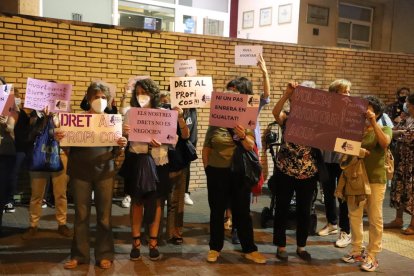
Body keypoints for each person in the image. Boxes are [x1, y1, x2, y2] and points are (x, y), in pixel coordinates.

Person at [62, 82, 127, 269]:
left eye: (104, 97)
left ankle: (104, 254)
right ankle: (79, 255)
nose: (100, 100)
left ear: (109, 100)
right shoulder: (77, 121)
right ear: (89, 98)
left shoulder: (113, 121)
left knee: (104, 216)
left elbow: (116, 152)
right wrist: (62, 139)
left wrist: (121, 144)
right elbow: (68, 148)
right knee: (81, 215)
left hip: (105, 172)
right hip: (80, 172)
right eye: (96, 97)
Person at [202, 78, 267, 264]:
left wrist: (241, 135)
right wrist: (208, 168)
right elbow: (206, 148)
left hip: (239, 173)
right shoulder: (214, 125)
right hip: (217, 173)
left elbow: (250, 146)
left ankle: (249, 249)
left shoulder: (245, 123)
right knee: (217, 211)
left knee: (242, 212)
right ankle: (215, 248)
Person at [121, 78, 175, 261]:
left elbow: (173, 138)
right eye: (137, 93)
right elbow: (122, 139)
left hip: (159, 161)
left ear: (153, 93)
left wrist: (164, 140)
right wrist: (124, 133)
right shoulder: (131, 113)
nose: (140, 96)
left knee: (157, 202)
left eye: (144, 92)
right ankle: (135, 243)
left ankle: (153, 242)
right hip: (137, 160)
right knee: (137, 202)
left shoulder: (164, 113)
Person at [271, 81, 326, 262]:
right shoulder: (287, 117)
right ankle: (281, 246)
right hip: (285, 171)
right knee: (282, 208)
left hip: (308, 173)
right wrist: (287, 94)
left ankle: (301, 246)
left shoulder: (317, 120)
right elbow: (275, 113)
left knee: (304, 211)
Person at [341, 96, 392, 272]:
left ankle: (373, 255)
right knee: (354, 214)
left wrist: (373, 122)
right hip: (355, 178)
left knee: (374, 217)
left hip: (376, 179)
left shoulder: (384, 127)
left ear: (376, 112)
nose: (363, 111)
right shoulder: (355, 129)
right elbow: (340, 146)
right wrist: (358, 150)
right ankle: (356, 249)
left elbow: (384, 143)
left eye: (368, 108)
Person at [21, 99, 72, 240]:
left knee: (61, 193)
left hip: (60, 154)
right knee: (37, 194)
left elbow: (71, 133)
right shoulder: (35, 114)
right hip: (39, 155)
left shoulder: (65, 112)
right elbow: (30, 133)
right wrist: (42, 116)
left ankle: (62, 223)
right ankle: (33, 224)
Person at [317, 79, 352, 248]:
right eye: (344, 91)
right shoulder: (325, 112)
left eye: (348, 92)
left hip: (344, 160)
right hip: (327, 158)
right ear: (333, 94)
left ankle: (345, 231)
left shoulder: (353, 112)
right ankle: (332, 223)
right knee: (328, 192)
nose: (347, 95)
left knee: (343, 195)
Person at [386, 93, 414, 235]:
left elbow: (409, 137)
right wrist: (400, 130)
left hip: (412, 163)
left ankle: (413, 224)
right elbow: (393, 132)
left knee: (411, 191)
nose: (405, 105)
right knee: (399, 188)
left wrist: (400, 134)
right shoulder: (406, 118)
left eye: (408, 103)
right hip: (401, 161)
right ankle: (398, 219)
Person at [0, 76, 17, 234]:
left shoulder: (10, 105)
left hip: (4, 152)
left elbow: (12, 129)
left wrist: (6, 123)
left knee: (2, 189)